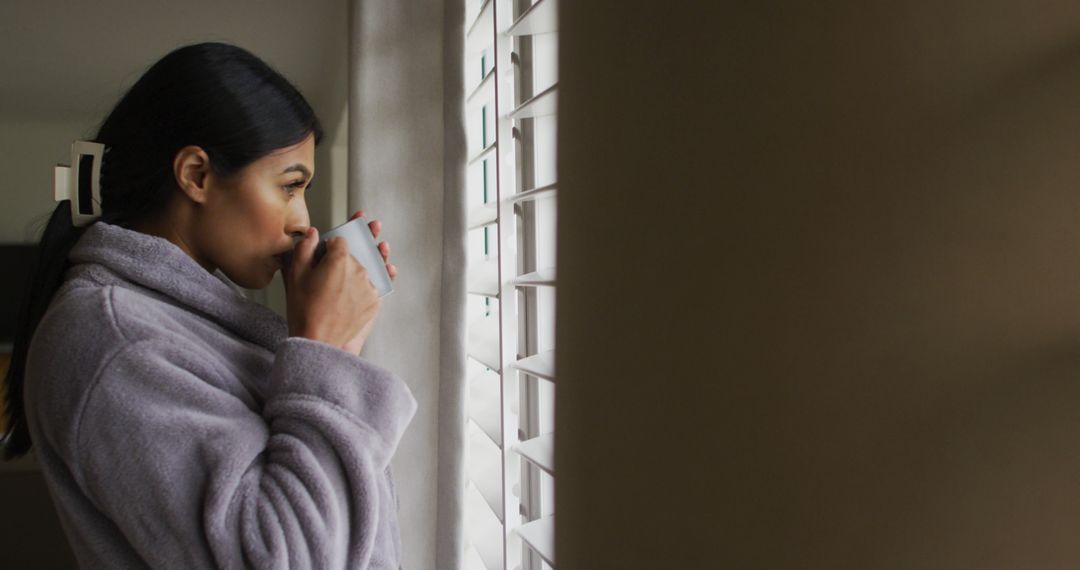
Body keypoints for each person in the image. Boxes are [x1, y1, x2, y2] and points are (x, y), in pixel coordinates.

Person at [0, 42, 417, 569]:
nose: (302, 222)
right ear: (196, 174)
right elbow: (280, 558)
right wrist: (323, 348)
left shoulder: (172, 325)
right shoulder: (114, 342)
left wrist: (332, 344)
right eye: (290, 187)